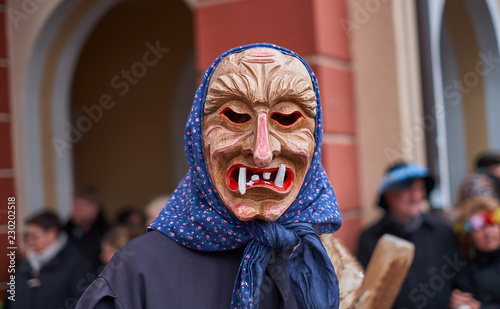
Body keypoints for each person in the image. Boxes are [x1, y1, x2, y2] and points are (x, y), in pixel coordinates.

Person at [77, 43, 346, 308]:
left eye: (287, 118)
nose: (262, 151)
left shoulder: (318, 259)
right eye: (236, 116)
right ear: (197, 139)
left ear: (315, 139)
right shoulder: (138, 271)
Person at [357, 162, 463, 309]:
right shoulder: (370, 238)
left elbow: (461, 278)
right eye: (407, 188)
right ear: (388, 195)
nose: (416, 196)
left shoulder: (442, 231)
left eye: (420, 188)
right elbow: (365, 292)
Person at [6, 211, 93, 309]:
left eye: (34, 236)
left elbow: (84, 302)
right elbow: (11, 298)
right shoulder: (24, 263)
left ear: (52, 234)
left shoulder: (76, 263)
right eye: (26, 235)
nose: (29, 240)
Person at [451, 196, 500, 308]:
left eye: (492, 224)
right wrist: (455, 300)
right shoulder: (463, 271)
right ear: (469, 236)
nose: (488, 232)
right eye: (480, 227)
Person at [65, 186, 111, 271]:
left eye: (79, 207)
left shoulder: (109, 232)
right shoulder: (66, 231)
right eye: (74, 207)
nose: (75, 212)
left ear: (94, 208)